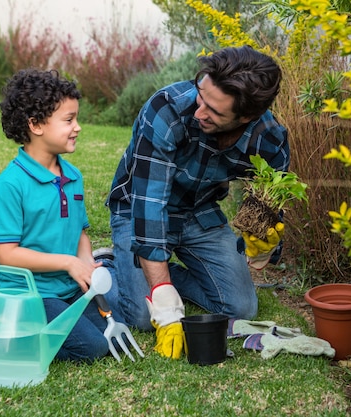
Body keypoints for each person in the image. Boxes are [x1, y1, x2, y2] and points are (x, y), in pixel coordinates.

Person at [102, 46, 289, 360]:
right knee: (141, 316)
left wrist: (265, 244)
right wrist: (163, 300)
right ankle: (110, 265)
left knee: (241, 308)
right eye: (202, 96)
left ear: (246, 116)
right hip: (138, 208)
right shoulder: (168, 110)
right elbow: (149, 207)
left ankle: (145, 269)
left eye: (214, 112)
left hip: (198, 213)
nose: (200, 111)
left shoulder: (268, 137)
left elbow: (271, 203)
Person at [0, 68, 111, 362]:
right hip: (31, 295)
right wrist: (68, 262)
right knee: (94, 348)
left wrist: (85, 262)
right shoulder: (10, 185)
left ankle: (47, 325)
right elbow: (6, 254)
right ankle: (18, 332)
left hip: (68, 289)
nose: (78, 127)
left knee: (108, 330)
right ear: (36, 125)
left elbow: (80, 230)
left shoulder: (73, 176)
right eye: (69, 120)